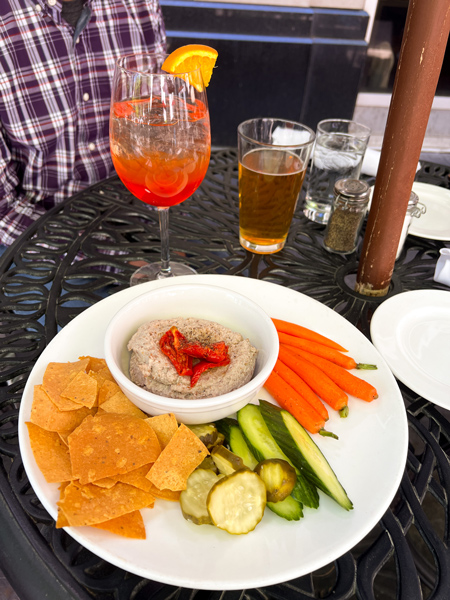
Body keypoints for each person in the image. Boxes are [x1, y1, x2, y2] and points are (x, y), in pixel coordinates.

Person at [0, 0, 166, 250]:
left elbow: (162, 127)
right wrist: (110, 260)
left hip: (146, 221)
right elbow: (3, 211)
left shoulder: (139, 3)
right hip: (43, 243)